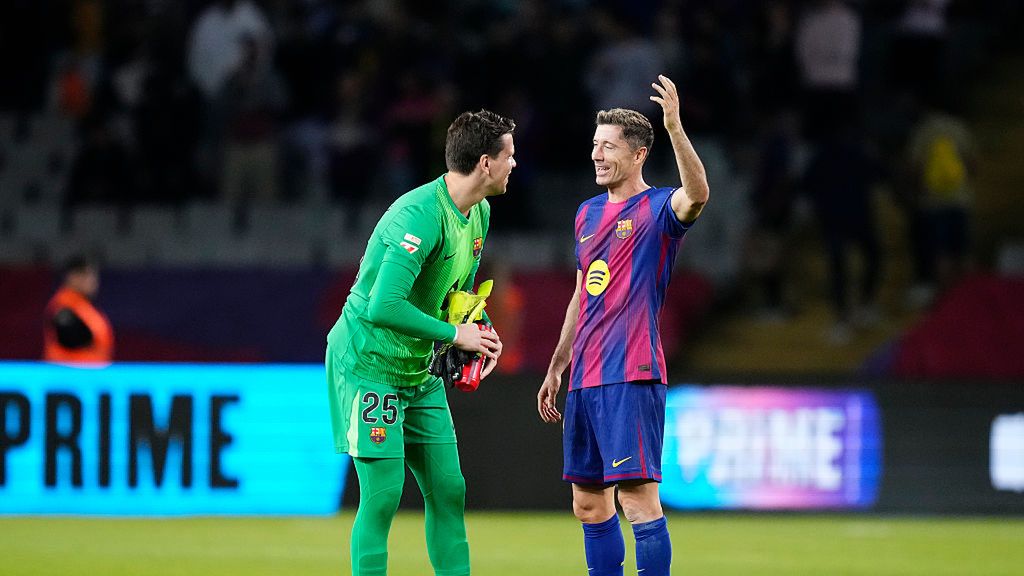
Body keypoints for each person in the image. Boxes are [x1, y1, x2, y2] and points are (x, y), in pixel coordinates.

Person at [326, 110, 512, 576]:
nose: (516, 163)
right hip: (368, 364)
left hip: (417, 369)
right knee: (384, 494)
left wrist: (480, 331)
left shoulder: (479, 212)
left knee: (450, 490)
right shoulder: (420, 216)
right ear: (486, 163)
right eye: (510, 154)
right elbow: (382, 307)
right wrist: (454, 335)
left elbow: (457, 295)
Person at [537, 76, 709, 576]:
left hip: (630, 372)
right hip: (585, 378)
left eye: (609, 147)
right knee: (589, 506)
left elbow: (697, 194)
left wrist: (674, 127)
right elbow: (581, 292)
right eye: (595, 145)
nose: (597, 154)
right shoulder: (586, 214)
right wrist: (557, 363)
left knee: (637, 503)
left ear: (637, 155)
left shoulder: (658, 208)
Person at [43, 254, 114, 363]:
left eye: (93, 275)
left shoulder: (84, 306)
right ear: (72, 277)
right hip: (67, 374)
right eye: (86, 275)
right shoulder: (63, 304)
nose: (93, 281)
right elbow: (69, 337)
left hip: (89, 374)